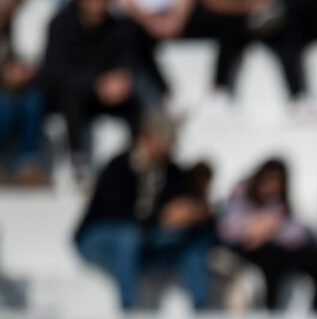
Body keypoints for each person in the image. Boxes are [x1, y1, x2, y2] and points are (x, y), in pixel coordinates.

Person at [73, 112, 212, 310]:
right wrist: (162, 216)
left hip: (146, 241)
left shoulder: (172, 172)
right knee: (128, 235)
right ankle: (129, 308)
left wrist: (194, 213)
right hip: (101, 240)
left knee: (193, 240)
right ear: (147, 137)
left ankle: (202, 308)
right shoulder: (120, 166)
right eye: (164, 140)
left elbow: (187, 207)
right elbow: (117, 213)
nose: (168, 146)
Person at [217, 157, 317, 311]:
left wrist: (269, 230)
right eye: (269, 180)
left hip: (276, 248)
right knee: (271, 257)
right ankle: (271, 310)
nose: (273, 186)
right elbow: (227, 229)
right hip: (246, 251)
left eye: (278, 182)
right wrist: (255, 229)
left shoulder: (278, 203)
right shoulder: (240, 195)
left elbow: (299, 231)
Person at [42, 0, 141, 179]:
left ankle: (138, 158)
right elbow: (54, 74)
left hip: (107, 95)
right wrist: (94, 84)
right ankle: (78, 161)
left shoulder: (118, 27)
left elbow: (126, 60)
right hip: (70, 95)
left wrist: (120, 81)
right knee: (72, 98)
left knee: (135, 102)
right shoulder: (60, 25)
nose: (98, 6)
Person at [119, 0, 257, 110]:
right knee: (131, 37)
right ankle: (166, 95)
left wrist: (178, 19)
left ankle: (220, 90)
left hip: (181, 17)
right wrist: (149, 22)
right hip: (143, 22)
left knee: (232, 25)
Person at [0, 0, 46, 184]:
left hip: (16, 89)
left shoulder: (14, 32)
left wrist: (23, 73)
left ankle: (27, 164)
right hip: (5, 92)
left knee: (33, 101)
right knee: (5, 106)